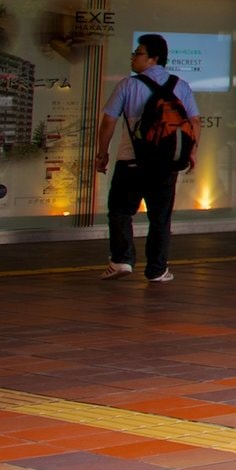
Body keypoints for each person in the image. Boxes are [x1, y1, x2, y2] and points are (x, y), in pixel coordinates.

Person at [95, 33, 197, 284]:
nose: (133, 58)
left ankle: (121, 260)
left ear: (153, 58)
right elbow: (194, 122)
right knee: (160, 218)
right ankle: (157, 269)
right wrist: (190, 152)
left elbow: (108, 121)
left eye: (138, 53)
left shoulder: (128, 85)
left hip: (131, 161)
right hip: (165, 165)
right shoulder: (180, 86)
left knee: (120, 211)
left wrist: (102, 153)